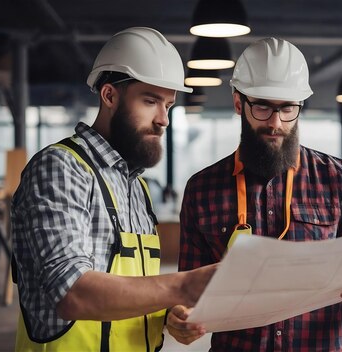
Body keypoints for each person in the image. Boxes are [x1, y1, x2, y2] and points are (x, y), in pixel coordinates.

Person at [167, 38, 342, 351]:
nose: (276, 123)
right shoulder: (202, 190)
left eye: (288, 108)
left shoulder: (339, 179)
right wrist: (178, 317)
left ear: (300, 107)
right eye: (262, 106)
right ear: (239, 103)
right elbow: (187, 290)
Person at [11, 27, 216, 352]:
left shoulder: (138, 189)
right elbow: (72, 293)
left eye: (168, 105)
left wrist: (169, 315)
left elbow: (134, 294)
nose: (163, 119)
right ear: (109, 96)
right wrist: (185, 285)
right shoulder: (61, 168)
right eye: (150, 101)